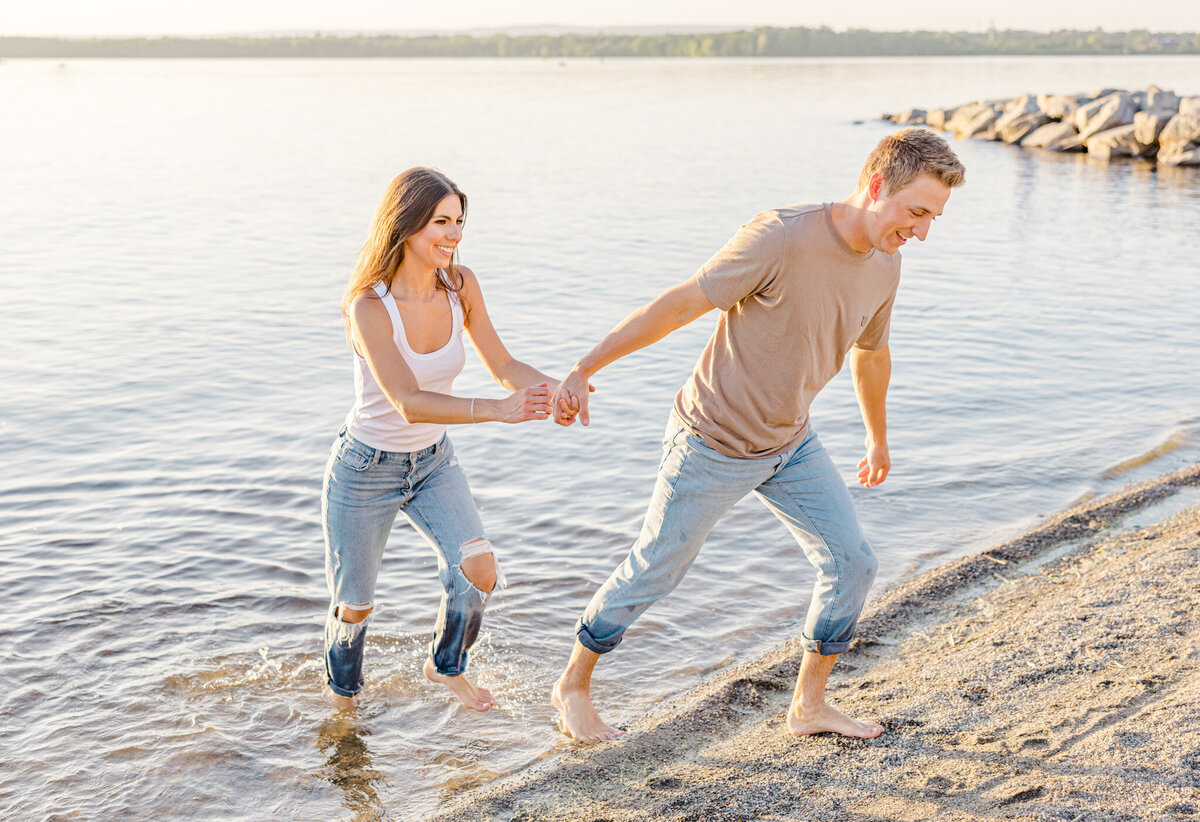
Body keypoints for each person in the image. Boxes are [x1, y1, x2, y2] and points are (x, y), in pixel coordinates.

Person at [550, 128, 965, 741]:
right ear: (877, 186)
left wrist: (877, 438)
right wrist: (585, 367)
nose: (923, 231)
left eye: (933, 218)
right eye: (917, 212)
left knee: (852, 563)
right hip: (709, 439)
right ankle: (573, 687)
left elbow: (872, 356)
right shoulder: (781, 235)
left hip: (789, 443)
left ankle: (808, 707)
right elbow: (681, 304)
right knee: (655, 569)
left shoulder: (887, 263)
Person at [322, 167, 556, 711]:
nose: (453, 234)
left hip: (432, 463)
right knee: (354, 606)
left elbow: (503, 364)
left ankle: (445, 665)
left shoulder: (461, 284)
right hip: (364, 469)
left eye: (458, 222)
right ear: (405, 226)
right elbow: (407, 400)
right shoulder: (369, 306)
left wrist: (558, 389)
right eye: (440, 223)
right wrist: (499, 412)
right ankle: (343, 705)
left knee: (479, 569)